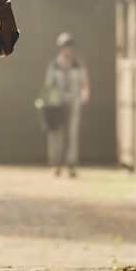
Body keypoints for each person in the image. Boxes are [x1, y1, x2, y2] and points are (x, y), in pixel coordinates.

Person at [41, 32, 89, 177]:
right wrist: (49, 101)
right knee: (56, 133)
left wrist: (84, 94)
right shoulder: (54, 66)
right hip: (58, 102)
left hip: (73, 101)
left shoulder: (77, 64)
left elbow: (84, 82)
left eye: (69, 46)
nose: (67, 49)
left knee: (72, 132)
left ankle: (71, 164)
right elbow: (48, 85)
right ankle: (56, 163)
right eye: (65, 47)